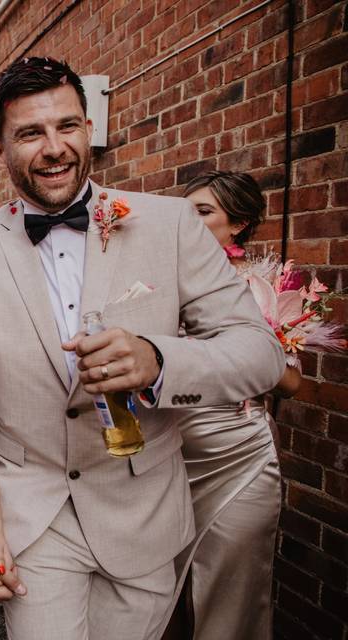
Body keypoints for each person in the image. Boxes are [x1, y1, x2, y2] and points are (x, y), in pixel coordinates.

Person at [0, 57, 286, 640]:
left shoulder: (170, 224)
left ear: (88, 129)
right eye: (30, 133)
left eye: (68, 126)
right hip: (34, 518)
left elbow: (260, 354)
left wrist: (159, 360)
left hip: (142, 512)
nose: (54, 148)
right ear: (0, 149)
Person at [160, 171, 298, 640]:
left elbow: (291, 381)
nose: (189, 223)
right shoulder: (164, 281)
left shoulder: (259, 288)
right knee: (162, 592)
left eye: (203, 213)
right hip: (171, 452)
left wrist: (245, 352)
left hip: (237, 454)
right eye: (186, 212)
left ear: (237, 224)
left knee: (230, 594)